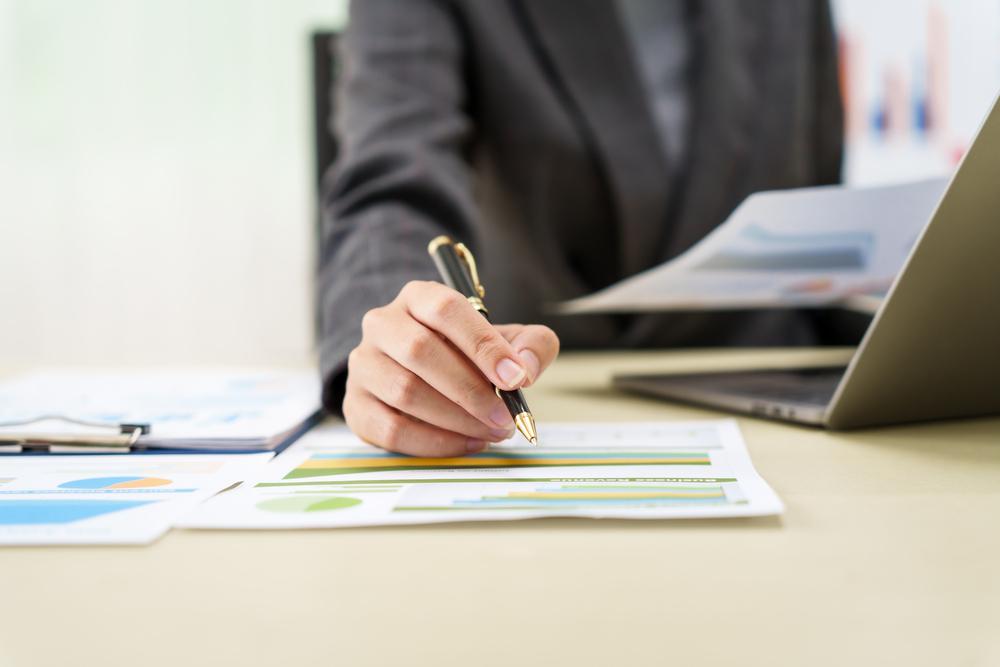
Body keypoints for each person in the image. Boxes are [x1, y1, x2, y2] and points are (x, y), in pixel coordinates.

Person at [319, 0, 845, 457]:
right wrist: (402, 343)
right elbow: (394, 181)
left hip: (780, 392)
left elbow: (820, 182)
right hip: (541, 375)